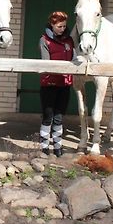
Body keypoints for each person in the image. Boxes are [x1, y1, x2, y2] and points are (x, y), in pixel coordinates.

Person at [39, 11, 74, 157]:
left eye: (64, 26)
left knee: (59, 117)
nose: (62, 29)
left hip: (64, 84)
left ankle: (58, 147)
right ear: (52, 25)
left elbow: (74, 57)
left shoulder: (69, 41)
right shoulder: (45, 40)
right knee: (48, 116)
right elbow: (47, 63)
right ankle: (44, 147)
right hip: (49, 83)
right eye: (59, 26)